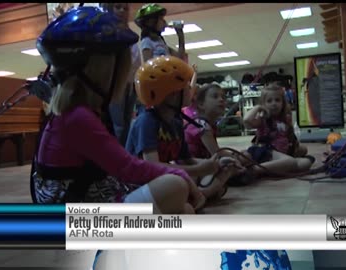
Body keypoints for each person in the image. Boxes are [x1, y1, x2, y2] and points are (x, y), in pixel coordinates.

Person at [31, 6, 205, 214]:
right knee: (174, 186)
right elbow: (128, 168)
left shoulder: (77, 113)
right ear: (101, 70)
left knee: (183, 209)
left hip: (84, 197)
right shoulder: (78, 117)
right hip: (75, 214)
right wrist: (180, 174)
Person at [126, 55, 234, 202]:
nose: (192, 91)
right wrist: (200, 169)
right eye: (187, 87)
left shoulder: (176, 122)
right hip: (140, 184)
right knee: (184, 185)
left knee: (220, 172)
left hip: (162, 178)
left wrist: (214, 165)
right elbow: (153, 166)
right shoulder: (147, 122)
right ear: (171, 93)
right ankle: (202, 194)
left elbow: (186, 160)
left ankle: (200, 194)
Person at [243, 85, 314, 177]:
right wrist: (258, 108)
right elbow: (246, 120)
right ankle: (255, 170)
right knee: (291, 162)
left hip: (280, 152)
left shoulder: (285, 119)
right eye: (269, 101)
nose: (274, 103)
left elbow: (289, 137)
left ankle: (276, 167)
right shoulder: (263, 119)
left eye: (277, 100)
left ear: (282, 103)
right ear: (263, 104)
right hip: (265, 152)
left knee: (305, 160)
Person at [101, 3, 142, 145]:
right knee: (118, 125)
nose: (122, 11)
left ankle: (123, 154)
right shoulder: (107, 32)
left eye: (125, 8)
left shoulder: (129, 34)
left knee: (126, 124)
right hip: (116, 84)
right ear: (110, 8)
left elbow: (136, 61)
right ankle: (117, 158)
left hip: (130, 85)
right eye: (118, 7)